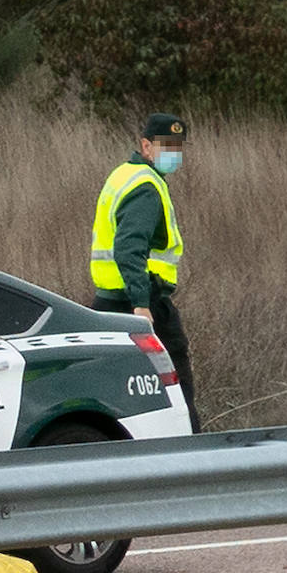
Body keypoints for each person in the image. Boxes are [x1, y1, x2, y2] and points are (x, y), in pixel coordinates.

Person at [89, 113, 200, 432]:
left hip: (111, 301)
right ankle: (194, 456)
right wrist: (142, 305)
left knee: (122, 388)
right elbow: (129, 248)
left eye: (178, 147)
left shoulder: (125, 174)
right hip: (141, 302)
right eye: (167, 146)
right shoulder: (146, 187)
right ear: (146, 146)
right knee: (177, 388)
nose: (174, 154)